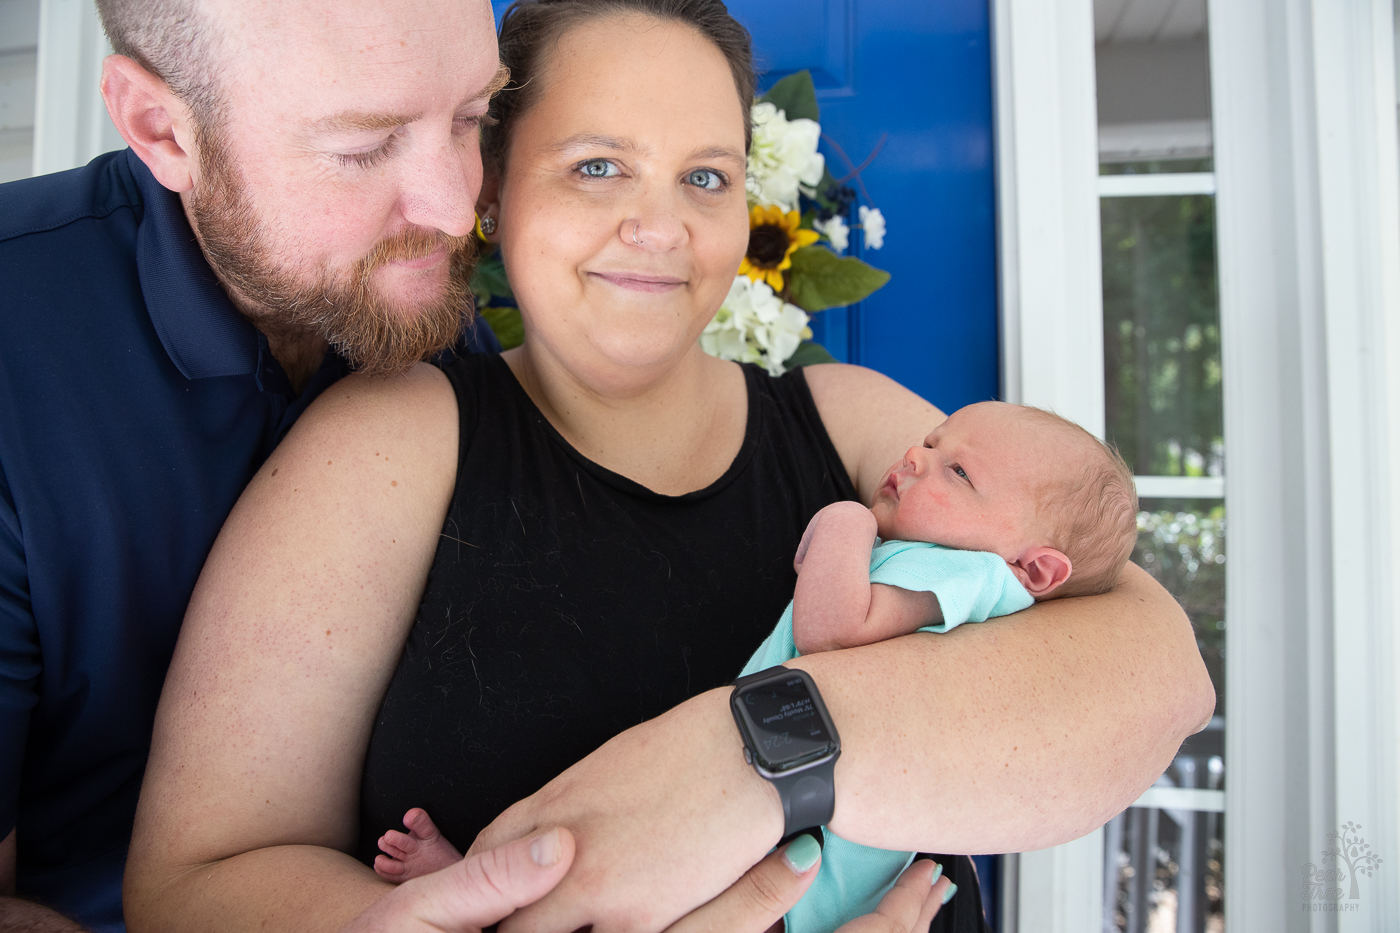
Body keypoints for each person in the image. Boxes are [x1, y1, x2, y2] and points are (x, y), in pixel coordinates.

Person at [124, 2, 1214, 933]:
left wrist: (738, 764)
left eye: (705, 176)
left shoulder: (850, 424)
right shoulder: (392, 442)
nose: (658, 226)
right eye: (596, 167)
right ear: (489, 194)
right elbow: (194, 884)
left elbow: (1154, 671)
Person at [0, 0, 507, 928]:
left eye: (473, 118)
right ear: (163, 130)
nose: (457, 208)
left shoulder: (424, 318)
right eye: (362, 148)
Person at [370, 400, 1138, 932]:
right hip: (793, 838)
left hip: (808, 877)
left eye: (958, 473)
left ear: (1035, 569)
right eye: (932, 440)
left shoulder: (975, 578)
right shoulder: (937, 559)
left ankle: (470, 883)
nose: (917, 456)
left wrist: (843, 522)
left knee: (641, 884)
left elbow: (835, 632)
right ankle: (473, 879)